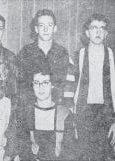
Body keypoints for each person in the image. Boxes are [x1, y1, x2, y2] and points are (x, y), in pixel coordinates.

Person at [16, 9, 74, 159]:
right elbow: (21, 84)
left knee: (55, 150)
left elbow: (66, 84)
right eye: (42, 25)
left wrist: (62, 108)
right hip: (32, 111)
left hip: (55, 112)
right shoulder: (26, 52)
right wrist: (28, 109)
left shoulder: (62, 53)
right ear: (36, 29)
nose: (46, 29)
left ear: (55, 28)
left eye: (50, 25)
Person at [71, 13, 115, 160]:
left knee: (104, 155)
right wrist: (74, 118)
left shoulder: (112, 56)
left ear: (106, 33)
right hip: (84, 113)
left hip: (106, 114)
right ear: (87, 32)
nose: (98, 32)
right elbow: (70, 90)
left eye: (102, 29)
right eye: (94, 28)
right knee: (84, 155)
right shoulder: (77, 56)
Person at [25, 63, 75, 160]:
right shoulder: (26, 113)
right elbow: (23, 151)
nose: (40, 87)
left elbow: (70, 153)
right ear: (32, 85)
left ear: (52, 85)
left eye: (45, 82)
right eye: (36, 82)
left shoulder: (65, 114)